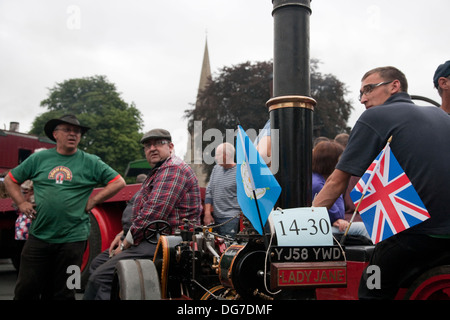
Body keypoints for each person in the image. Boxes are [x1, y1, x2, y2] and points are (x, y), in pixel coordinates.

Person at [312, 66, 450, 299]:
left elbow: (336, 182)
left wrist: (302, 225)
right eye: (360, 93)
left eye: (369, 89)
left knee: (371, 285)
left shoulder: (375, 116)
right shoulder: (441, 115)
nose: (363, 98)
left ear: (395, 86)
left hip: (414, 238)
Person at [4, 114, 126, 300]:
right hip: (39, 237)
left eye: (77, 132)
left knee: (67, 290)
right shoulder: (40, 158)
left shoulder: (90, 161)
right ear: (55, 134)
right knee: (25, 289)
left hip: (74, 241)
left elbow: (118, 182)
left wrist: (93, 201)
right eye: (67, 130)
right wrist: (21, 202)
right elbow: (10, 179)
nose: (73, 134)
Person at [83, 128, 202, 300]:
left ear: (171, 146)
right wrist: (123, 233)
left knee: (102, 277)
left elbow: (153, 214)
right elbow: (141, 208)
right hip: (150, 237)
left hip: (167, 242)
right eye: (147, 145)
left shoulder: (173, 169)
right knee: (97, 264)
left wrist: (125, 244)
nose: (152, 148)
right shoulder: (158, 171)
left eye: (158, 144)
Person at [312, 141, 369, 240]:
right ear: (331, 162)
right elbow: (337, 214)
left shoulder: (319, 179)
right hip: (318, 230)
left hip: (326, 225)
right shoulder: (319, 184)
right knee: (364, 229)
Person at [203, 142, 241, 238]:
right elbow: (209, 191)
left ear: (226, 156)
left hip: (231, 219)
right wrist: (207, 213)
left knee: (227, 248)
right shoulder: (216, 169)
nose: (215, 157)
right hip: (215, 218)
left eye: (218, 154)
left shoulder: (240, 172)